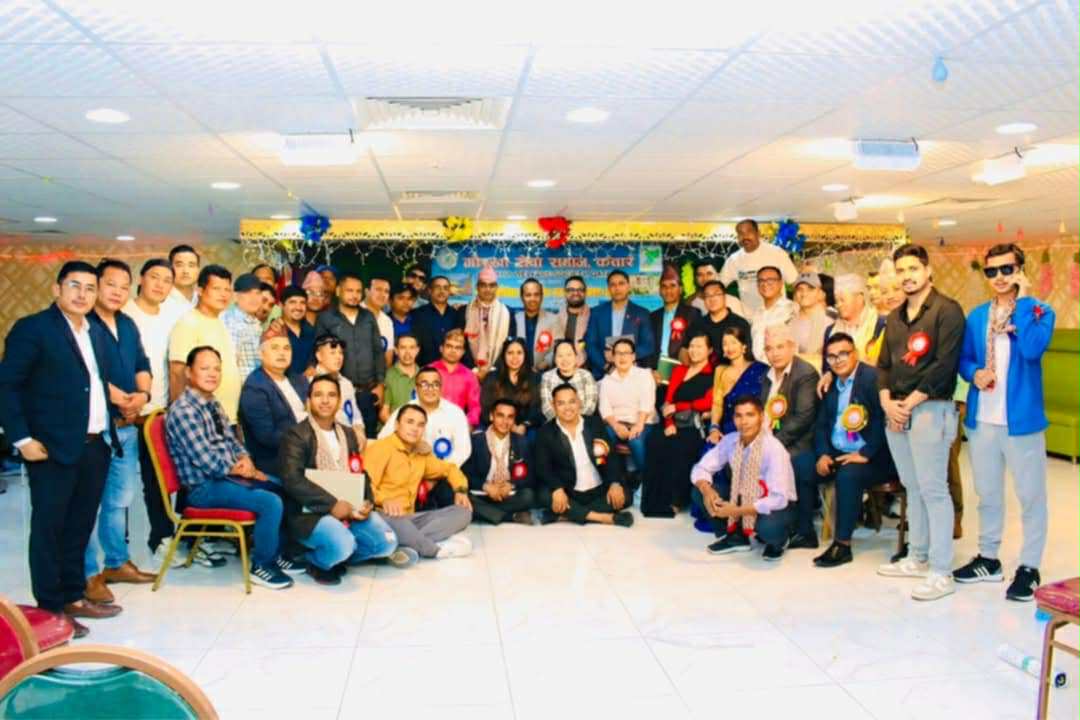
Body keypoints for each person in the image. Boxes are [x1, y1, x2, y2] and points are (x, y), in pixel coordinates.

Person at [0, 261, 123, 637]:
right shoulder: (34, 329)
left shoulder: (95, 331)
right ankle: (50, 611)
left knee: (79, 527)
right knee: (49, 530)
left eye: (90, 287)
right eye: (74, 285)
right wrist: (21, 439)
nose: (82, 294)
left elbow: (94, 384)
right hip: (51, 448)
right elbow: (7, 386)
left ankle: (73, 596)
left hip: (94, 445)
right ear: (57, 289)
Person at [954, 243, 1055, 602]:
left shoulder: (1039, 311)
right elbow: (964, 359)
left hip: (1021, 422)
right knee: (988, 494)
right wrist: (974, 373)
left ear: (1020, 270)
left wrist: (1023, 303)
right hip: (982, 419)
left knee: (1030, 496)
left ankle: (1029, 566)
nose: (999, 277)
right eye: (991, 271)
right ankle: (988, 558)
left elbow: (1031, 350)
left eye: (1007, 269)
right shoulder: (977, 316)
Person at [166, 346, 299, 590]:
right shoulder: (184, 411)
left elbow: (232, 440)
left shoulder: (212, 403)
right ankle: (261, 565)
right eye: (204, 368)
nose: (212, 374)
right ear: (189, 372)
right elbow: (206, 460)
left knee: (283, 487)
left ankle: (276, 553)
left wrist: (245, 459)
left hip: (228, 477)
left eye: (217, 369)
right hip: (203, 488)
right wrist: (242, 471)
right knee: (270, 502)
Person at [875, 244, 965, 602]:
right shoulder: (895, 316)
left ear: (928, 271)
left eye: (913, 268)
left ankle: (942, 572)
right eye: (901, 270)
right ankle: (917, 556)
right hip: (896, 411)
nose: (907, 276)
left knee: (934, 490)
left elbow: (944, 365)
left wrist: (909, 404)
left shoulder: (947, 310)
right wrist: (887, 402)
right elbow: (883, 364)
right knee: (912, 487)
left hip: (930, 409)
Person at [278, 375, 418, 585]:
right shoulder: (296, 435)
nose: (325, 400)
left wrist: (366, 503)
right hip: (310, 514)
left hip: (350, 509)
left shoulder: (348, 434)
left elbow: (361, 472)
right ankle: (315, 560)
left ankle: (338, 553)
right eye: (318, 395)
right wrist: (332, 505)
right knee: (344, 544)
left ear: (339, 401)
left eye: (331, 395)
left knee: (386, 543)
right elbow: (292, 479)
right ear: (308, 401)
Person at [84, 259, 156, 606]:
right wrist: (115, 397)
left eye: (124, 286)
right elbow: (87, 372)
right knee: (88, 504)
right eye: (110, 284)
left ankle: (116, 562)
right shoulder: (84, 324)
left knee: (119, 500)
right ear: (97, 285)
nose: (117, 291)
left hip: (127, 426)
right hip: (97, 429)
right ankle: (88, 573)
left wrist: (142, 396)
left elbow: (142, 364)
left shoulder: (126, 324)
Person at [811, 333, 893, 567]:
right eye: (832, 357)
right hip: (837, 451)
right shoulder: (829, 384)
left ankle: (842, 545)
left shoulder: (872, 379)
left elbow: (884, 421)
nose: (838, 360)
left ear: (855, 353)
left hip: (875, 456)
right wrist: (823, 454)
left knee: (848, 475)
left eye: (843, 354)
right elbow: (822, 424)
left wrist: (865, 453)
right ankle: (802, 531)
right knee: (802, 465)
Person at [123, 258, 182, 569]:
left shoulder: (172, 316)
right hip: (125, 412)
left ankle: (161, 537)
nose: (160, 284)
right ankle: (118, 546)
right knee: (119, 486)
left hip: (158, 413)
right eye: (154, 277)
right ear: (141, 279)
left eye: (166, 280)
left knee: (156, 479)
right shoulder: (125, 315)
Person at [690, 395, 796, 561]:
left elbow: (779, 499)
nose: (744, 422)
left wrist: (736, 511)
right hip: (743, 496)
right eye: (739, 416)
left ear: (761, 417)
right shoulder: (731, 440)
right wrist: (707, 490)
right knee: (699, 491)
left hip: (776, 505)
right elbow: (701, 468)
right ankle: (736, 537)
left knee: (768, 528)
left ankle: (779, 541)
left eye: (750, 415)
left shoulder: (774, 448)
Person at [363, 404, 473, 559]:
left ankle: (405, 544)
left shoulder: (421, 454)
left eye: (420, 425)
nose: (415, 428)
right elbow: (365, 486)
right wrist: (385, 500)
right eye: (410, 422)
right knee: (397, 523)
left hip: (410, 519)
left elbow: (449, 469)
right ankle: (434, 550)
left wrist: (460, 490)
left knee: (464, 513)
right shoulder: (381, 448)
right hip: (385, 516)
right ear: (397, 425)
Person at [757, 324, 820, 550]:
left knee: (797, 463)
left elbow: (803, 418)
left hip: (801, 442)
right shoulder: (766, 375)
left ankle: (804, 531)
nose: (774, 353)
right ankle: (758, 523)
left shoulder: (805, 374)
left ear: (792, 347)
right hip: (770, 438)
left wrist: (773, 445)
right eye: (769, 348)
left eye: (780, 347)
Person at [534, 383, 632, 527]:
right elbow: (542, 467)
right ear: (553, 406)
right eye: (561, 403)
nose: (567, 408)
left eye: (572, 402)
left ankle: (567, 515)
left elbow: (610, 456)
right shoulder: (545, 432)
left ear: (579, 402)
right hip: (569, 491)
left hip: (598, 488)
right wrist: (557, 488)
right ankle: (602, 517)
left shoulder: (594, 424)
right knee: (543, 495)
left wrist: (614, 483)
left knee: (625, 495)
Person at [642, 333, 713, 517]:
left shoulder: (712, 374)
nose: (694, 350)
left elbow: (706, 403)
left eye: (699, 346)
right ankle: (653, 500)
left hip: (694, 425)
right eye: (691, 346)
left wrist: (679, 407)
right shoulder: (680, 370)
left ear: (709, 350)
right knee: (654, 441)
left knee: (681, 447)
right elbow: (668, 400)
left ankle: (676, 499)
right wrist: (668, 423)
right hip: (672, 421)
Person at [168, 265, 242, 424]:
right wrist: (182, 418)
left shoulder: (220, 322)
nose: (223, 294)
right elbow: (177, 373)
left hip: (226, 416)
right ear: (200, 290)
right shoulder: (188, 322)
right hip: (201, 419)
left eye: (227, 290)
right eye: (217, 288)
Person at [315, 272, 385, 436]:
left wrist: (381, 384)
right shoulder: (326, 318)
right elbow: (319, 350)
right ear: (338, 291)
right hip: (339, 393)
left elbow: (377, 350)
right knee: (340, 438)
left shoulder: (368, 316)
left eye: (358, 291)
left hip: (368, 392)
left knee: (368, 438)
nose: (354, 295)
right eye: (349, 290)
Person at [238, 327, 310, 479]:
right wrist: (305, 439)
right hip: (277, 461)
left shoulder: (299, 380)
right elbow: (267, 436)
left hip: (306, 453)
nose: (282, 353)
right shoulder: (255, 387)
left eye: (286, 348)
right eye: (275, 348)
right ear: (261, 354)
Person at [380, 366, 472, 469]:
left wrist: (440, 470)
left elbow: (463, 450)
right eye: (424, 384)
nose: (430, 389)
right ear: (416, 388)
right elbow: (383, 440)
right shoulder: (404, 410)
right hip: (408, 471)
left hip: (444, 471)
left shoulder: (455, 413)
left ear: (441, 388)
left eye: (435, 384)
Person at [462, 399, 536, 525]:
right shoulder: (476, 441)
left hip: (507, 494)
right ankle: (509, 517)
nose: (505, 422)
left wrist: (511, 485)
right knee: (461, 497)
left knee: (529, 496)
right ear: (492, 416)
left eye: (510, 417)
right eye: (500, 416)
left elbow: (530, 476)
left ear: (514, 420)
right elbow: (465, 474)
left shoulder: (521, 442)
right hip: (482, 493)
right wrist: (486, 486)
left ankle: (485, 513)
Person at [599, 338, 657, 492]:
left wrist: (638, 425)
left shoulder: (644, 375)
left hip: (643, 422)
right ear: (612, 357)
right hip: (617, 423)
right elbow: (605, 408)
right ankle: (612, 480)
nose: (622, 357)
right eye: (618, 353)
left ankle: (647, 480)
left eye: (626, 353)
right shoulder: (607, 380)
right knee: (603, 439)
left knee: (636, 441)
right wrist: (616, 426)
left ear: (633, 356)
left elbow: (647, 402)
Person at [584, 270, 655, 379]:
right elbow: (590, 345)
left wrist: (627, 357)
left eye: (621, 283)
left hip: (632, 373)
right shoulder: (596, 313)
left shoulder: (642, 313)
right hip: (603, 373)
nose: (617, 288)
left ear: (628, 286)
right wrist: (607, 367)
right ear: (608, 288)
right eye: (613, 285)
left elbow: (648, 345)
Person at [719, 219, 798, 314]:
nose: (745, 237)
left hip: (779, 315)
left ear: (758, 233)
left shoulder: (777, 253)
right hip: (750, 317)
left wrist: (799, 310)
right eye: (740, 233)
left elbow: (796, 283)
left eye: (749, 232)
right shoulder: (733, 260)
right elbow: (718, 286)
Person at [706, 325, 769, 440]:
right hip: (727, 430)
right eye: (725, 344)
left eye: (733, 342)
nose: (729, 348)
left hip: (755, 429)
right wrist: (714, 428)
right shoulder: (720, 370)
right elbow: (717, 404)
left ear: (744, 346)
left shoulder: (760, 369)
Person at [480, 338, 543, 436]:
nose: (515, 357)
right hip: (496, 426)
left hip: (524, 428)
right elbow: (485, 410)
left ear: (525, 355)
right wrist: (508, 425)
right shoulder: (492, 377)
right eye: (510, 353)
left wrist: (524, 425)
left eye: (519, 353)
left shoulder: (534, 377)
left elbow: (536, 410)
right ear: (503, 355)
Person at [311, 333, 366, 441]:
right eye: (332, 353)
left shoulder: (346, 384)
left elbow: (355, 415)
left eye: (341, 353)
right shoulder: (310, 383)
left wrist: (359, 431)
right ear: (319, 356)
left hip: (350, 438)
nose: (338, 357)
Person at [682, 280, 750, 367]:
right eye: (707, 296)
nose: (712, 299)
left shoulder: (740, 324)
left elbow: (748, 356)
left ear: (724, 297)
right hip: (701, 373)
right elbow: (683, 351)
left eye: (716, 294)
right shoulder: (697, 324)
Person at [824, 274, 886, 366]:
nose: (839, 305)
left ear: (859, 298)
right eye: (837, 301)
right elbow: (826, 364)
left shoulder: (879, 324)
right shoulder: (830, 331)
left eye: (842, 300)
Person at [648, 266, 701, 374]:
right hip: (656, 371)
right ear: (659, 291)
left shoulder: (692, 313)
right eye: (664, 286)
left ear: (680, 289)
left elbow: (697, 341)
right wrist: (650, 370)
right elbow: (648, 347)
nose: (668, 290)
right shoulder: (653, 317)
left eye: (672, 286)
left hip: (682, 370)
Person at [463, 265, 511, 381]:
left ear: (496, 287)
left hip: (497, 374)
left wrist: (492, 369)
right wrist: (474, 369)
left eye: (491, 285)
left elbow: (508, 346)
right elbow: (461, 343)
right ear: (477, 287)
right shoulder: (464, 311)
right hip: (469, 373)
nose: (487, 289)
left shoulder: (507, 312)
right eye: (483, 285)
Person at [221, 273, 267, 384]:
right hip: (237, 386)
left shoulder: (256, 324)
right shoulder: (230, 321)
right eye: (248, 293)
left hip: (254, 385)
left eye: (257, 293)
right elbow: (230, 363)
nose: (254, 298)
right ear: (236, 296)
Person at [432, 329, 482, 428]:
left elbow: (475, 407)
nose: (453, 351)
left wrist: (466, 426)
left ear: (463, 352)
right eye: (449, 346)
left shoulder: (469, 376)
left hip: (458, 425)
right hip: (430, 423)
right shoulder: (429, 371)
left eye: (458, 348)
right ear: (441, 348)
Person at [411, 275, 464, 366]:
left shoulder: (457, 315)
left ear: (449, 292)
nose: (442, 291)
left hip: (451, 369)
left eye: (445, 288)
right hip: (425, 369)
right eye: (437, 287)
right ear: (430, 290)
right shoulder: (417, 314)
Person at [540, 339, 598, 421]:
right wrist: (562, 422)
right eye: (560, 356)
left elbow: (590, 406)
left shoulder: (586, 375)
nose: (565, 359)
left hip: (583, 422)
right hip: (555, 423)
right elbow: (547, 407)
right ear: (555, 359)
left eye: (569, 355)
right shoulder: (547, 377)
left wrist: (575, 422)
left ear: (576, 357)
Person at [511, 278, 560, 372]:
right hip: (517, 373)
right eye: (528, 295)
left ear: (542, 297)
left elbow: (558, 347)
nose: (532, 299)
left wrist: (544, 364)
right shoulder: (514, 319)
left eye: (536, 294)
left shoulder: (554, 319)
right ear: (522, 297)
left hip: (545, 372)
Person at [750, 266, 795, 362]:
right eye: (761, 281)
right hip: (760, 367)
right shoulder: (757, 313)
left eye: (770, 280)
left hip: (783, 366)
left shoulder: (790, 309)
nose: (765, 284)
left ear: (781, 283)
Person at [791, 272, 831, 368]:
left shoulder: (829, 323)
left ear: (820, 293)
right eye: (800, 289)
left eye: (810, 289)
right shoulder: (789, 322)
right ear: (795, 294)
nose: (804, 294)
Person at [381, 333, 420, 423]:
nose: (407, 352)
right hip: (394, 427)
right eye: (403, 348)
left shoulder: (424, 375)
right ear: (396, 350)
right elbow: (384, 413)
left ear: (417, 350)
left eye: (412, 348)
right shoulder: (387, 376)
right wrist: (400, 428)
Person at [554, 275, 590, 368]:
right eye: (571, 290)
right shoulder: (557, 317)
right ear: (565, 293)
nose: (575, 293)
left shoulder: (594, 317)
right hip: (561, 368)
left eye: (579, 289)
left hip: (588, 369)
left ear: (585, 292)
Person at [160, 244, 200, 327]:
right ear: (170, 269)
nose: (186, 271)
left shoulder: (204, 300)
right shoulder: (160, 302)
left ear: (198, 270)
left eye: (191, 265)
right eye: (179, 265)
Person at [281, 286, 315, 375]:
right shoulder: (275, 331)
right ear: (281, 305)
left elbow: (315, 356)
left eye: (302, 303)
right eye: (292, 302)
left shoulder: (310, 330)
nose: (298, 307)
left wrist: (312, 366)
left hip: (309, 382)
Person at [365, 275, 395, 371]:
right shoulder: (353, 313)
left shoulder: (387, 321)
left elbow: (388, 357)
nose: (383, 294)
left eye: (386, 291)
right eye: (378, 289)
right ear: (367, 291)